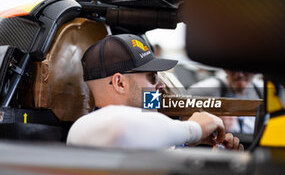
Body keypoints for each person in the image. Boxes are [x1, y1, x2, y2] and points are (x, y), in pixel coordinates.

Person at [67, 34, 243, 150]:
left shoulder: (150, 132)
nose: (160, 85)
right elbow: (120, 125)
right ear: (120, 83)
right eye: (152, 77)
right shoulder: (88, 129)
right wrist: (194, 128)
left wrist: (220, 160)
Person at [188, 70, 263, 134]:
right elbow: (182, 118)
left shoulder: (263, 91)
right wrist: (211, 121)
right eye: (233, 68)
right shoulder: (205, 90)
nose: (239, 74)